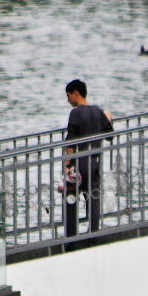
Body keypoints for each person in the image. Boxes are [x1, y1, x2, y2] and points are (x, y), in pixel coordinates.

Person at [62, 79, 114, 237]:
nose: (68, 100)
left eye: (68, 95)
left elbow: (71, 141)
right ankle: (93, 235)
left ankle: (71, 237)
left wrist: (67, 165)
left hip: (78, 161)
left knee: (70, 197)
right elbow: (110, 136)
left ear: (76, 94)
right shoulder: (98, 111)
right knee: (93, 197)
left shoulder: (75, 112)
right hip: (94, 162)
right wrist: (109, 117)